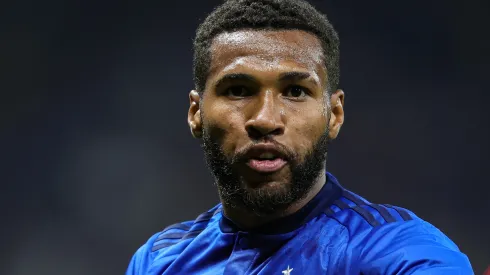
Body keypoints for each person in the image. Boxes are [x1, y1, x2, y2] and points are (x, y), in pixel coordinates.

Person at [126, 0, 473, 274]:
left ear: (334, 115)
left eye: (294, 91)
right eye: (237, 90)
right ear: (196, 113)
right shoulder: (158, 260)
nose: (265, 119)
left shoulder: (395, 250)